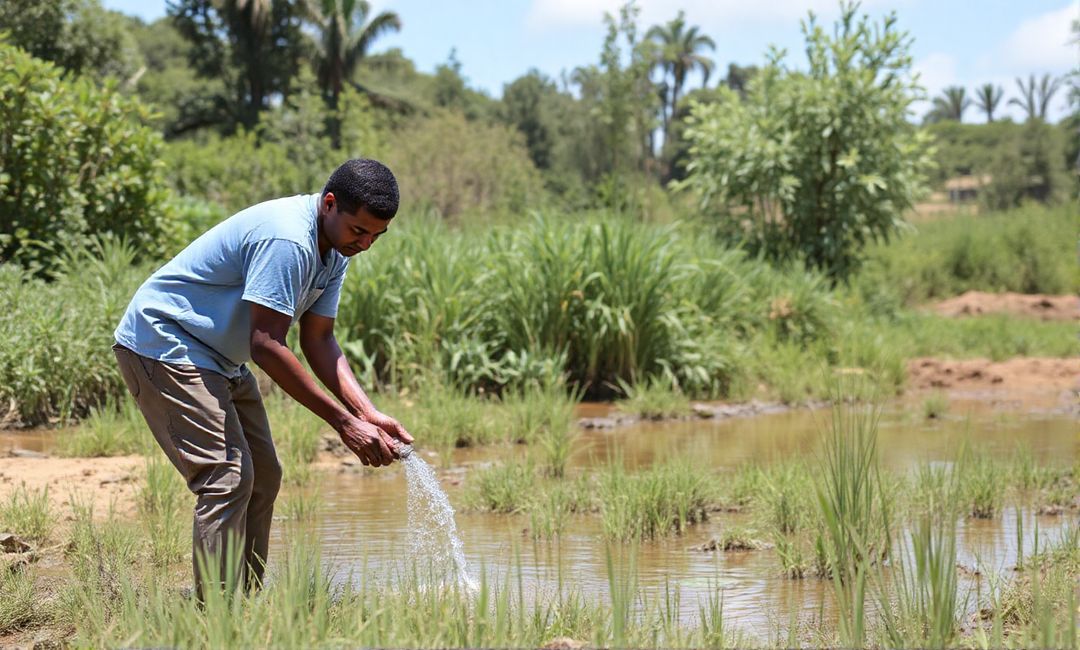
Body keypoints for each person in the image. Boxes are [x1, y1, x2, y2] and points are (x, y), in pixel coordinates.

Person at [112, 158, 413, 598]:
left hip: (219, 359)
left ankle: (245, 606)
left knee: (265, 474)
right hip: (166, 345)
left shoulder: (336, 246)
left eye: (376, 236)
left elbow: (320, 339)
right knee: (226, 477)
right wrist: (345, 424)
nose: (366, 244)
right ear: (330, 204)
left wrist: (367, 412)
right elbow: (267, 345)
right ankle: (217, 618)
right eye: (359, 231)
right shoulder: (288, 239)